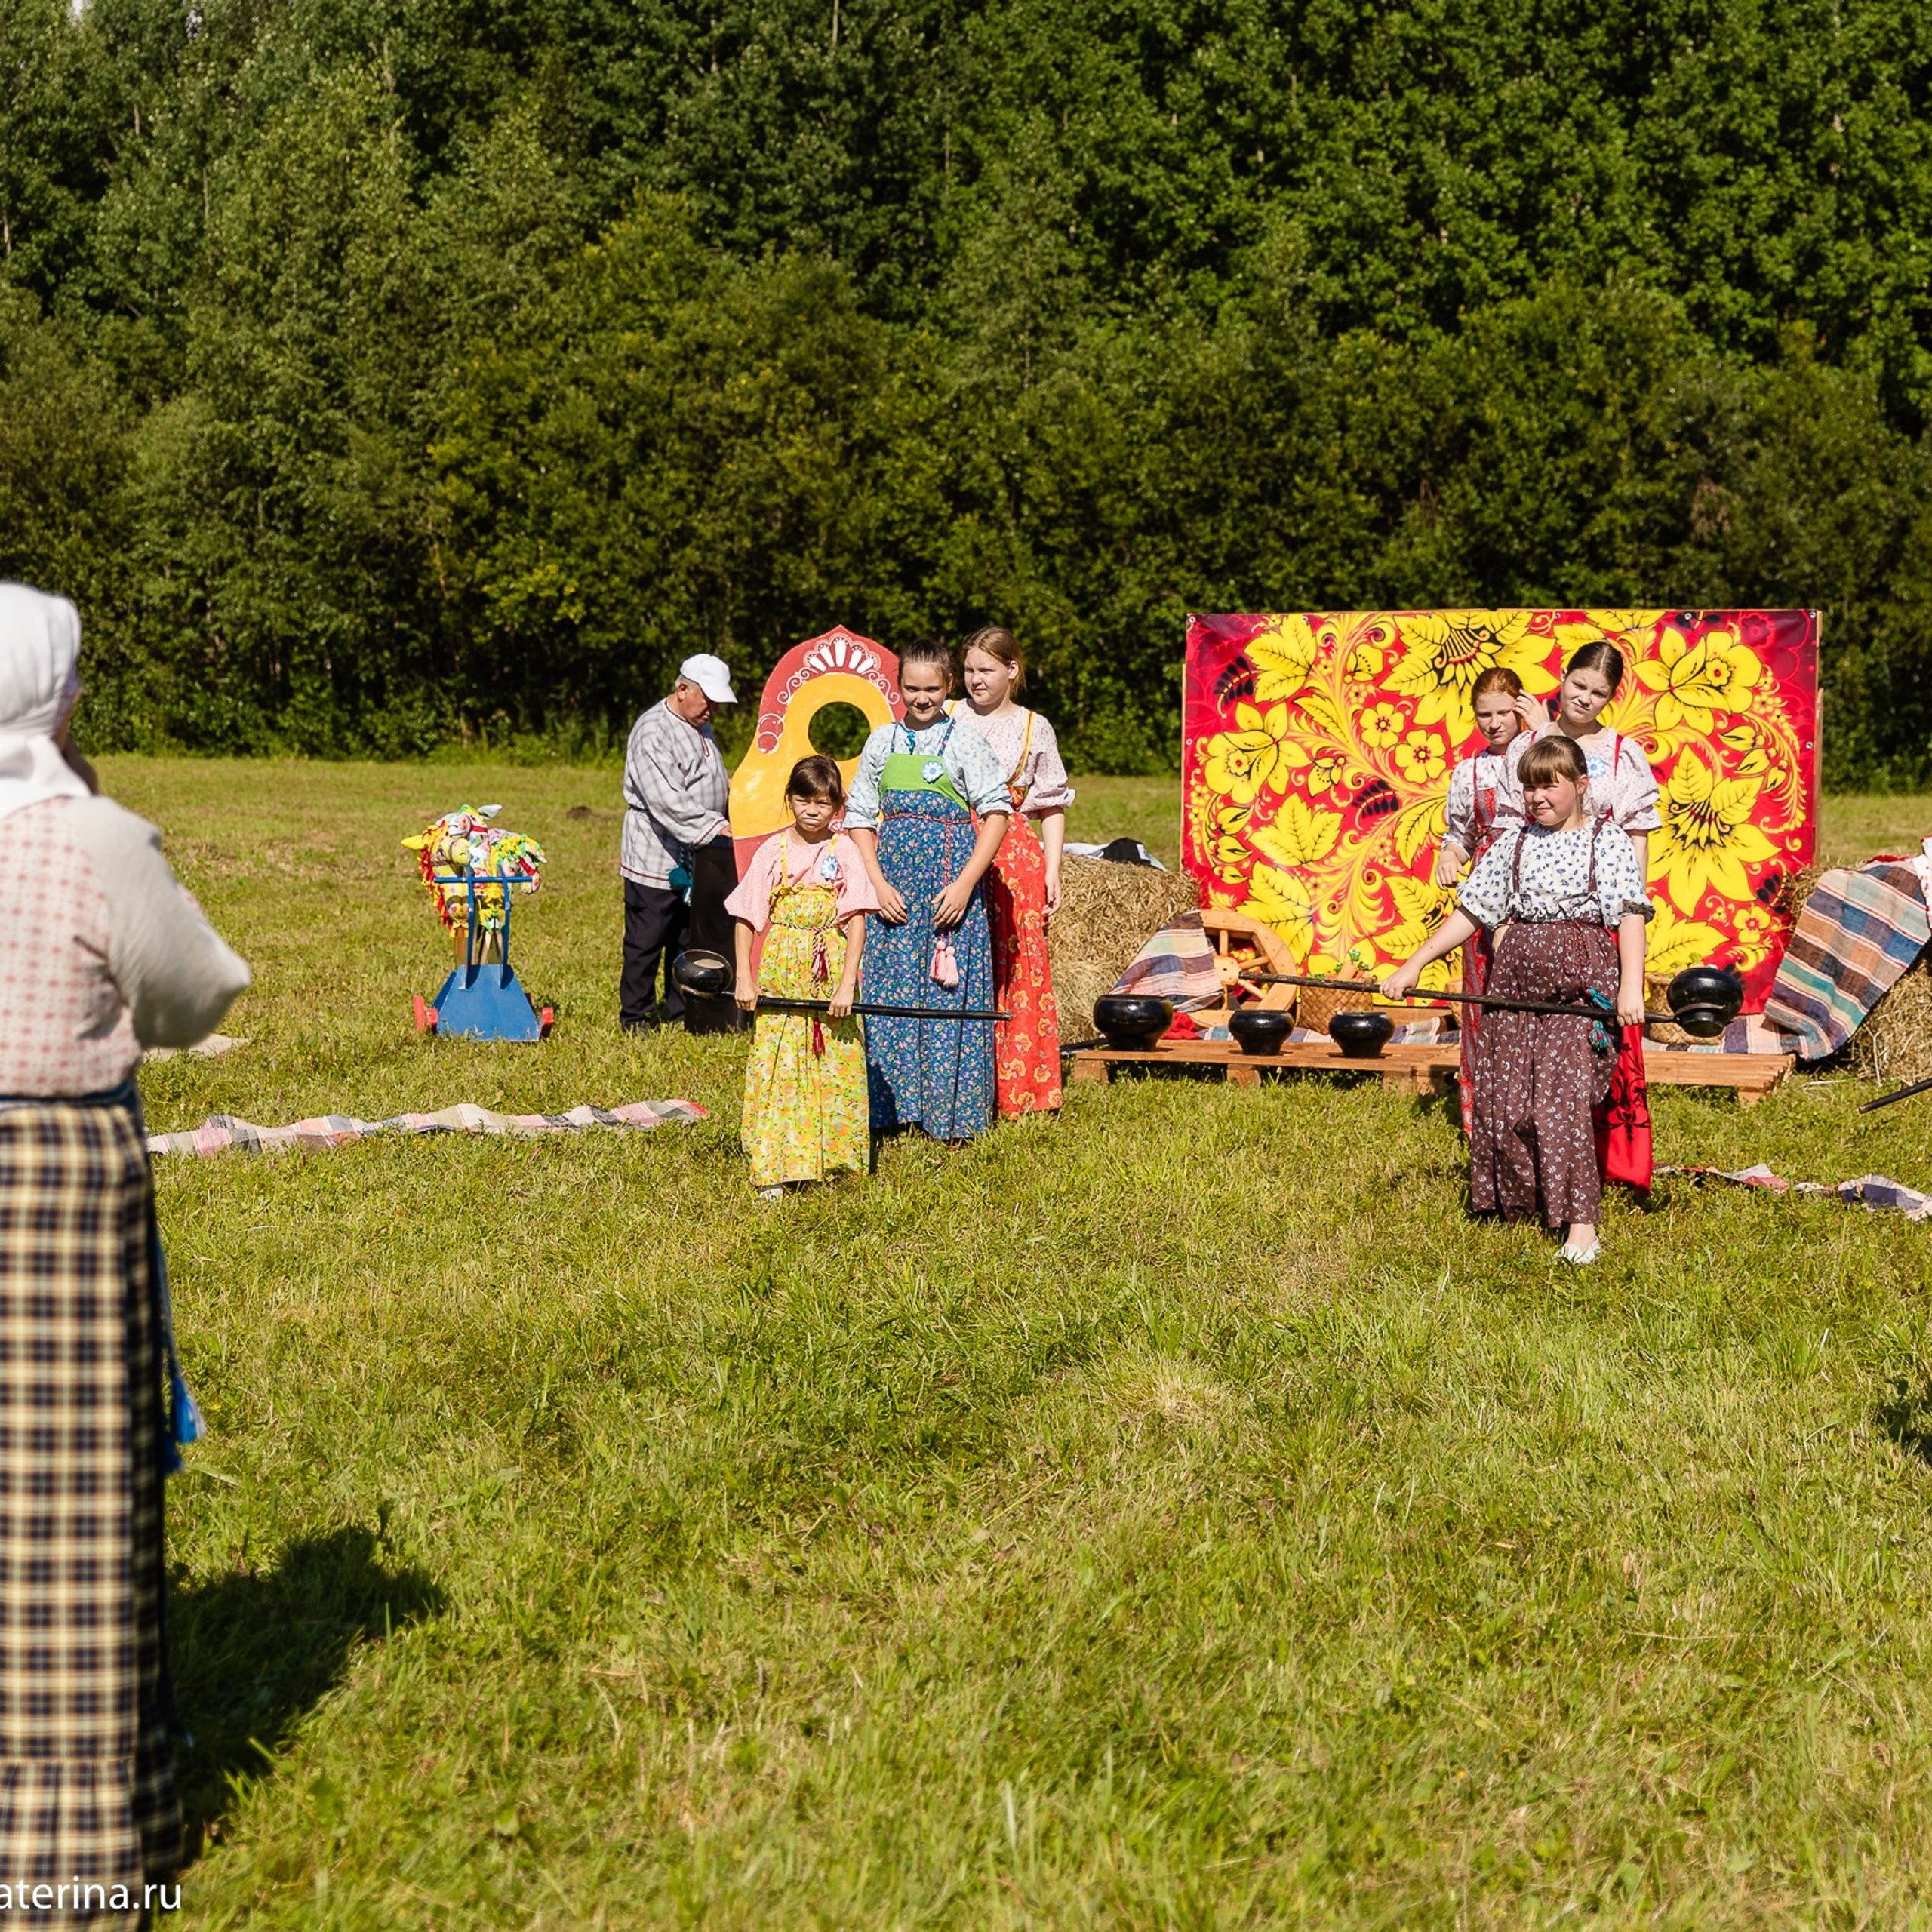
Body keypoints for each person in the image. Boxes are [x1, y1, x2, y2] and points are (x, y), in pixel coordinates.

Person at [0, 584, 250, 1914]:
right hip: (52, 1182)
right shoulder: (90, 840)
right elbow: (195, 989)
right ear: (53, 696)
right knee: (65, 1501)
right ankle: (66, 1859)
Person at [1383, 734, 1651, 1264]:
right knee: (1506, 1105)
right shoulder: (1512, 843)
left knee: (1560, 1103)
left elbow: (1631, 914)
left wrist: (1629, 987)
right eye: (1529, 788)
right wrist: (1415, 962)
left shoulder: (1609, 841)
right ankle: (1518, 1210)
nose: (1537, 798)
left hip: (1579, 994)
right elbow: (1472, 912)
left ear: (1580, 785)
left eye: (1548, 786)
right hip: (1513, 989)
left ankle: (1581, 1229)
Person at [844, 638, 1011, 1142]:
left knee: (946, 994)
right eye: (911, 689)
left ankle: (952, 1118)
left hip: (947, 889)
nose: (921, 699)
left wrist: (964, 887)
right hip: (894, 889)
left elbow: (997, 815)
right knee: (888, 990)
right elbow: (858, 816)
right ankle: (893, 1113)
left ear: (948, 686)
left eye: (932, 689)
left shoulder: (965, 742)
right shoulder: (881, 742)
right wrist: (876, 884)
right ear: (899, 686)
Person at [724, 756, 878, 1199]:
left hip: (828, 966)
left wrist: (847, 983)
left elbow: (857, 921)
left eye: (824, 803)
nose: (813, 810)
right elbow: (745, 917)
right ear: (789, 799)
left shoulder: (845, 850)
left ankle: (835, 1158)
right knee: (782, 1059)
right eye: (804, 800)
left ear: (838, 807)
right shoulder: (773, 851)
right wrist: (746, 978)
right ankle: (777, 1161)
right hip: (782, 968)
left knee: (835, 1056)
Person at [955, 626, 1072, 1118]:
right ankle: (959, 1088)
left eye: (985, 670)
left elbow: (1051, 804)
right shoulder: (947, 716)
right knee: (957, 963)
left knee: (1019, 968)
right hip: (955, 843)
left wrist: (1052, 869)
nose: (974, 680)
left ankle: (1022, 1090)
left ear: (1011, 671)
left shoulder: (1033, 727)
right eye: (967, 670)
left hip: (1014, 854)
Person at [620, 654, 743, 1035]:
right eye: (708, 700)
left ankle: (681, 1010)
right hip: (655, 854)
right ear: (682, 689)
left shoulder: (701, 724)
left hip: (695, 854)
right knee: (647, 939)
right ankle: (636, 1017)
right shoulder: (653, 731)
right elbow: (666, 800)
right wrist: (714, 827)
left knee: (684, 935)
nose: (714, 709)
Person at [1434, 666, 1531, 1133]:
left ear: (1521, 707)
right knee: (1482, 997)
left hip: (1537, 881)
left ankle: (1536, 1111)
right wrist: (1450, 857)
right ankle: (1482, 1118)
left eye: (1503, 713)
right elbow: (1460, 835)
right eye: (1483, 715)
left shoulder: (1544, 751)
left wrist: (1541, 728)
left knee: (1530, 996)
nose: (1493, 724)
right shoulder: (1469, 771)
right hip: (1486, 888)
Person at [1519, 640, 1660, 879]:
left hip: (1601, 885)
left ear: (1611, 697)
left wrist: (1633, 908)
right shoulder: (1526, 745)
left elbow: (1638, 839)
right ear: (1564, 676)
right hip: (1534, 884)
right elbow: (1509, 827)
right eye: (1579, 685)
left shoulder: (1623, 754)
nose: (1585, 699)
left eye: (1598, 693)